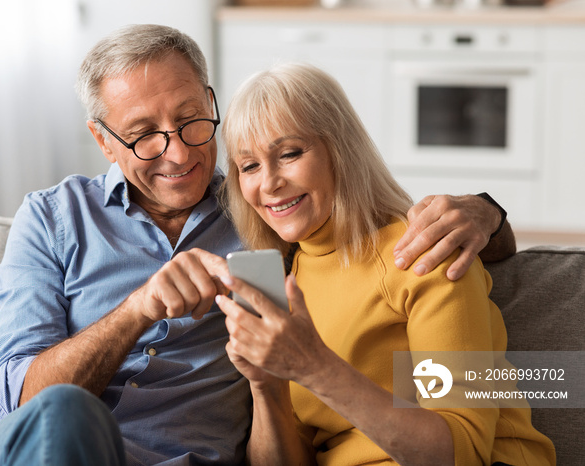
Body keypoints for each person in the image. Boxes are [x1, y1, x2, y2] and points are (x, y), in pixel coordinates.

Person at [0, 25, 518, 465]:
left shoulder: (266, 227)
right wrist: (136, 310)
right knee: (64, 413)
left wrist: (486, 212)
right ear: (103, 141)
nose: (179, 154)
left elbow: (401, 245)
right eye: (142, 134)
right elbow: (25, 408)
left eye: (190, 121)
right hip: (56, 450)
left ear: (211, 102)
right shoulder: (53, 218)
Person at [215, 62, 555, 465]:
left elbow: (462, 450)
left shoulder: (422, 253)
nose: (268, 182)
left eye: (289, 153)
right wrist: (265, 385)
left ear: (339, 151)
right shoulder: (289, 278)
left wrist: (313, 368)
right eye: (249, 165)